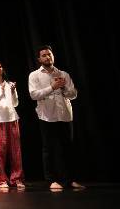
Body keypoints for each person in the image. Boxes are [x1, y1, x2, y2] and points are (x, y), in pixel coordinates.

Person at [28, 45, 83, 190]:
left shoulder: (63, 74)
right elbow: (34, 95)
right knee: (49, 148)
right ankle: (51, 180)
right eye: (44, 55)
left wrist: (64, 87)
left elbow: (74, 94)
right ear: (39, 59)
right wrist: (52, 87)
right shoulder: (34, 75)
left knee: (67, 148)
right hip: (47, 115)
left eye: (49, 54)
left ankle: (69, 179)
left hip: (65, 115)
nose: (47, 57)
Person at [0, 61, 25, 189]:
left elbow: (15, 103)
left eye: (0, 66)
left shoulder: (9, 84)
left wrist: (12, 91)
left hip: (12, 118)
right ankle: (1, 180)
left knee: (15, 151)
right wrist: (1, 92)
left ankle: (16, 179)